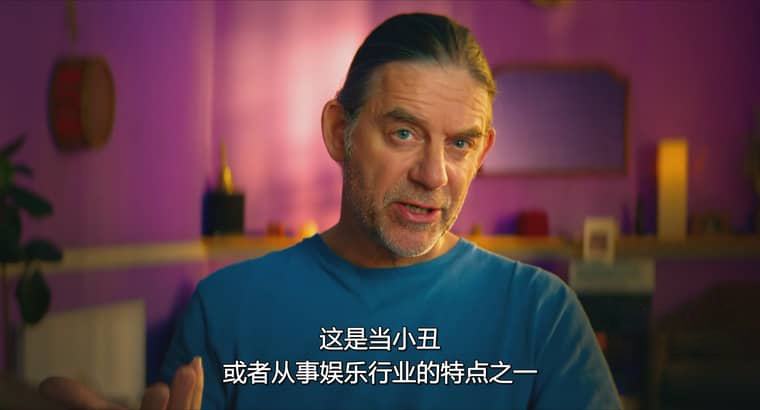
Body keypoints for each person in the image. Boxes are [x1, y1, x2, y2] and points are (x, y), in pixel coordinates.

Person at [40, 12, 621, 410]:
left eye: (460, 143)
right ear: (340, 130)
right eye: (403, 133)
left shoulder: (543, 316)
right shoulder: (227, 311)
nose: (433, 174)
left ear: (483, 151)